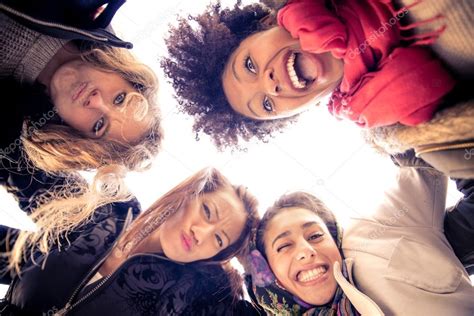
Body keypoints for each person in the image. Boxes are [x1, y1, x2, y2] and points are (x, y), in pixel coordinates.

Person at [162, 0, 473, 179]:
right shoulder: (402, 130)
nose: (269, 84)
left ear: (269, 21)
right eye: (266, 106)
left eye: (249, 66)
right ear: (299, 111)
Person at [0, 167, 260, 315]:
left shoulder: (193, 295)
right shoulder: (110, 209)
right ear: (187, 194)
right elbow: (21, 165)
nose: (201, 233)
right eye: (207, 212)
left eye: (218, 239)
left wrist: (256, 261)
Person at [244, 155, 474, 315]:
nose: (306, 251)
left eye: (315, 235)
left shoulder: (376, 234)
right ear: (269, 272)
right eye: (284, 246)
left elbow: (423, 153)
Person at [0, 0, 163, 174]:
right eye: (119, 99)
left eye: (98, 125)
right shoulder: (85, 9)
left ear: (74, 137)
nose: (95, 100)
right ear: (125, 74)